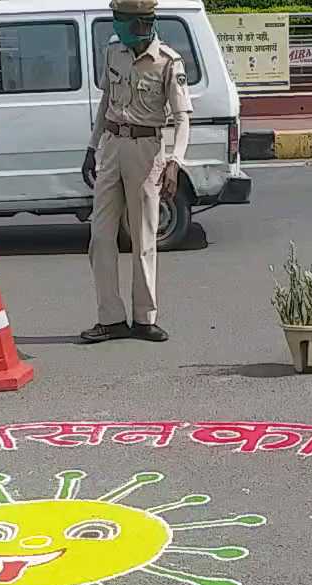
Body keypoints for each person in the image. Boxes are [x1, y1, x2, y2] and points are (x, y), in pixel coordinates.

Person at [81, 0, 192, 344]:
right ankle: (110, 318)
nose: (116, 26)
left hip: (147, 152)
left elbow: (182, 117)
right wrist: (91, 146)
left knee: (144, 239)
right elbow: (106, 103)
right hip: (112, 146)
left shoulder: (168, 62)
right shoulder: (115, 53)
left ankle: (145, 318)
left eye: (121, 20)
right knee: (100, 237)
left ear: (141, 23)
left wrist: (175, 161)